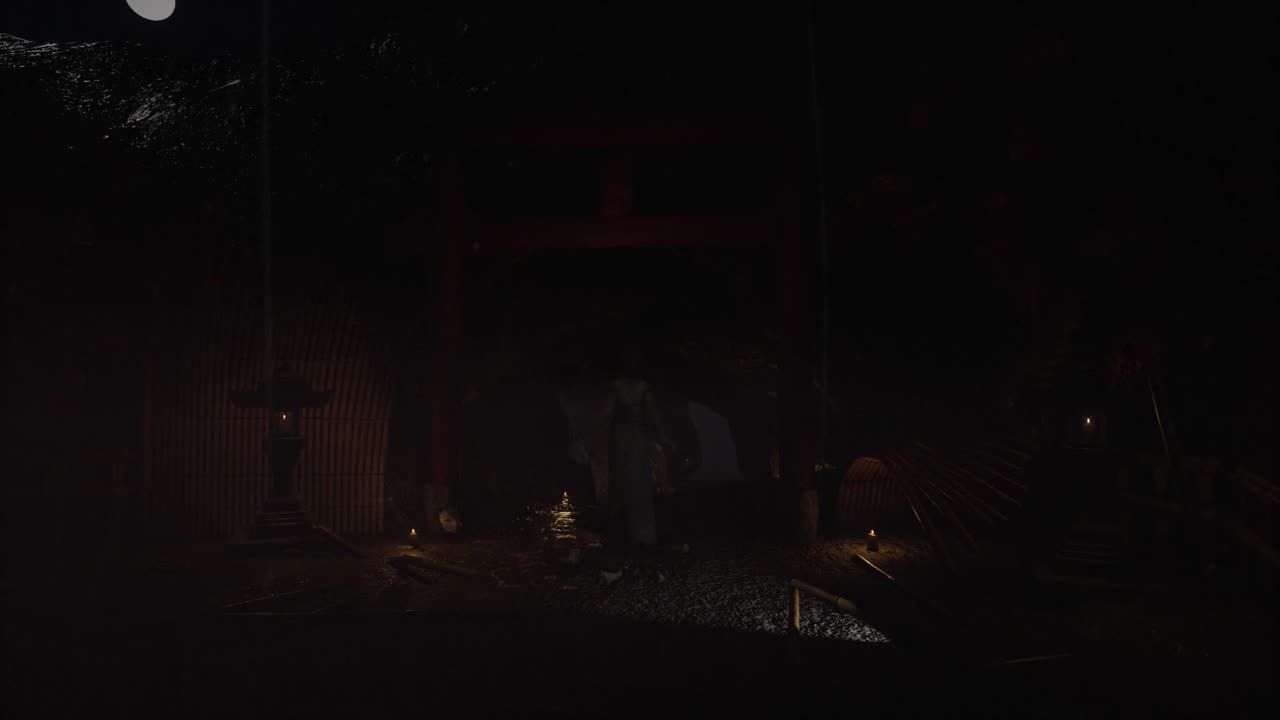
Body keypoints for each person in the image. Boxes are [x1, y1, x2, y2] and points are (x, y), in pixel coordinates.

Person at [606, 348, 675, 548]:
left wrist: (662, 436)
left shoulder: (626, 387)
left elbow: (651, 415)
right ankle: (636, 536)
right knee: (632, 484)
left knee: (633, 484)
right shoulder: (631, 387)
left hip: (629, 438)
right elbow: (652, 416)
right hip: (628, 437)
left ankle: (636, 537)